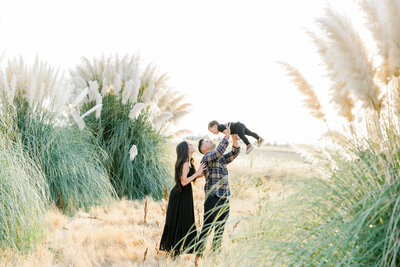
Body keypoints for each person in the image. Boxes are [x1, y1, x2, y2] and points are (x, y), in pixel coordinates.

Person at [196, 124, 240, 257]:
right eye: (207, 141)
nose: (210, 140)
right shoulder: (206, 158)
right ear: (204, 149)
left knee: (220, 230)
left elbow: (234, 153)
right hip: (213, 198)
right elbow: (219, 151)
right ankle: (199, 255)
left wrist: (234, 138)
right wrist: (226, 136)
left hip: (224, 198)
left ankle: (215, 255)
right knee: (207, 229)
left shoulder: (220, 158)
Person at [159, 141, 205, 256]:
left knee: (184, 221)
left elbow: (192, 177)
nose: (192, 145)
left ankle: (178, 250)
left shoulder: (188, 162)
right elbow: (184, 182)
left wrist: (201, 172)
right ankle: (175, 251)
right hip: (180, 195)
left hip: (184, 195)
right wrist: (197, 173)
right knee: (180, 221)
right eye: (189, 145)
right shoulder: (185, 163)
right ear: (185, 149)